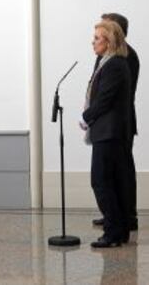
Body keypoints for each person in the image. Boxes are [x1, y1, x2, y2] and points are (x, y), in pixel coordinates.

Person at [80, 20, 132, 248]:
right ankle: (119, 232)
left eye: (97, 38)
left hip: (109, 133)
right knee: (111, 182)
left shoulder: (114, 65)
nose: (93, 42)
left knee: (101, 182)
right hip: (109, 132)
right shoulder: (109, 62)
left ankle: (112, 232)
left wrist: (85, 116)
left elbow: (104, 100)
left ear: (109, 41)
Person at [91, 13, 140, 231]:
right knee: (110, 174)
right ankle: (116, 215)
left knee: (120, 172)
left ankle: (126, 217)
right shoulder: (107, 57)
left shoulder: (125, 57)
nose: (94, 40)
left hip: (118, 123)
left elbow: (111, 95)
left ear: (114, 32)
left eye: (104, 28)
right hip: (106, 123)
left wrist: (89, 115)